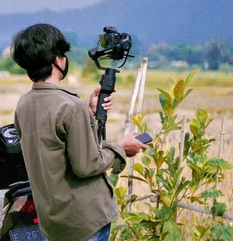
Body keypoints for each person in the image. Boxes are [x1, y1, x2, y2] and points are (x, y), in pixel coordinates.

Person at [11, 23, 147, 241]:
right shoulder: (71, 106)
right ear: (56, 59)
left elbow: (53, 141)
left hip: (53, 223)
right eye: (63, 54)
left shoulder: (24, 103)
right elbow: (86, 165)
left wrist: (89, 113)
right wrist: (121, 148)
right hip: (84, 223)